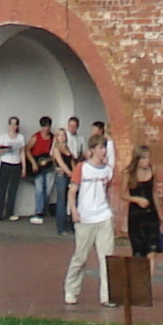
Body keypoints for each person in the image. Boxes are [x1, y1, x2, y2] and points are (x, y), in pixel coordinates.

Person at [62, 118, 118, 306]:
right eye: (101, 148)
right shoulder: (82, 168)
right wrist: (74, 211)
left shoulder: (107, 171)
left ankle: (107, 296)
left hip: (103, 217)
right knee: (80, 257)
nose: (104, 151)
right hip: (85, 218)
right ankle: (71, 290)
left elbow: (108, 187)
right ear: (93, 150)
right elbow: (72, 191)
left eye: (105, 148)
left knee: (107, 258)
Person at [125, 145, 163, 258]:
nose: (147, 161)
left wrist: (160, 214)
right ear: (137, 159)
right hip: (136, 214)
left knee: (152, 249)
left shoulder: (153, 169)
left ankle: (150, 276)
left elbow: (154, 193)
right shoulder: (128, 173)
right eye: (144, 158)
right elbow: (123, 194)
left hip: (151, 214)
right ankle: (140, 276)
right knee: (138, 251)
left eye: (148, 158)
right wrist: (136, 200)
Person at [0, 116, 27, 220]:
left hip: (16, 165)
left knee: (13, 189)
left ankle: (10, 212)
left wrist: (24, 167)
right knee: (3, 189)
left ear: (17, 126)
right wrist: (6, 149)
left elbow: (22, 153)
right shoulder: (3, 137)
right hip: (5, 164)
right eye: (11, 124)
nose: (13, 126)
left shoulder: (21, 138)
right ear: (8, 125)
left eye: (15, 124)